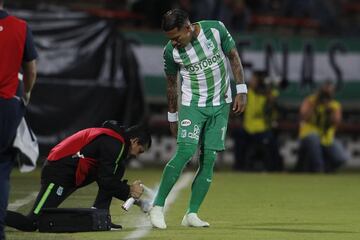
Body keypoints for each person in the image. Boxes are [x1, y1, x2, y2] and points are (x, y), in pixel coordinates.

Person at [149, 9, 247, 229]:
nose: (173, 43)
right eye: (170, 39)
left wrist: (241, 90)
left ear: (188, 27)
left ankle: (191, 214)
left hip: (220, 104)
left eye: (176, 37)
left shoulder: (216, 29)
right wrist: (172, 116)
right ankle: (157, 207)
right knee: (185, 152)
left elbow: (233, 56)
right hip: (193, 106)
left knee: (209, 159)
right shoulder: (170, 52)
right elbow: (172, 84)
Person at [5, 121, 151, 232]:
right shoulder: (115, 144)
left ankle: (101, 215)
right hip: (58, 172)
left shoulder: (115, 141)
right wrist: (129, 190)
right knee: (32, 223)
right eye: (140, 150)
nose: (137, 155)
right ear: (134, 141)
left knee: (117, 168)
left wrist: (129, 192)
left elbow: (107, 179)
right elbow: (106, 181)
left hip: (70, 174)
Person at [0, 0, 38, 239]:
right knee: (2, 170)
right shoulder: (20, 27)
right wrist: (27, 93)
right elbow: (31, 70)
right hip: (7, 105)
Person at [232, 71, 282, 172]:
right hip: (247, 128)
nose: (251, 81)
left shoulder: (268, 94)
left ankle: (275, 168)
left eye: (254, 80)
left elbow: (274, 99)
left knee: (272, 142)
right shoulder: (247, 93)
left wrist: (268, 91)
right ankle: (239, 167)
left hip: (263, 128)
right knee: (239, 137)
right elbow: (236, 107)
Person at [295, 81, 349, 172]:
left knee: (341, 158)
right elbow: (304, 117)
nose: (326, 96)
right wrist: (315, 105)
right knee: (314, 139)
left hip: (327, 137)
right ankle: (318, 169)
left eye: (329, 92)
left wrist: (330, 111)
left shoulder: (334, 105)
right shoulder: (310, 101)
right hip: (308, 134)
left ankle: (327, 169)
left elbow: (336, 122)